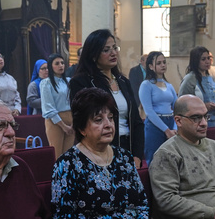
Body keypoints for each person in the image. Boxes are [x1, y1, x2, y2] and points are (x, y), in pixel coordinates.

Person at [52, 87, 149, 219]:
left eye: (110, 118)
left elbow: (142, 202)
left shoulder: (124, 157)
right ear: (82, 128)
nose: (108, 125)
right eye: (98, 120)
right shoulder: (67, 164)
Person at [149, 95, 215, 219]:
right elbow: (166, 200)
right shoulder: (167, 153)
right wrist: (213, 212)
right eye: (196, 118)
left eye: (206, 116)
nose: (204, 123)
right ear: (178, 121)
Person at [69, 29, 144, 165]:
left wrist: (138, 156)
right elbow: (83, 121)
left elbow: (136, 121)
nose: (113, 53)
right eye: (106, 50)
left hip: (128, 148)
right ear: (93, 55)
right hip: (99, 149)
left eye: (115, 48)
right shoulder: (81, 82)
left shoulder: (123, 81)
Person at [138, 50, 178, 165]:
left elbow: (177, 108)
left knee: (171, 160)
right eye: (159, 63)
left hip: (170, 122)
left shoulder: (169, 85)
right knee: (156, 160)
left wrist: (174, 128)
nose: (163, 65)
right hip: (155, 125)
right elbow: (149, 111)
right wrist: (166, 130)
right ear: (150, 66)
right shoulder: (146, 85)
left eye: (164, 62)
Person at [38, 53, 75, 155]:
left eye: (62, 63)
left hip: (70, 118)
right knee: (57, 154)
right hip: (55, 120)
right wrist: (63, 126)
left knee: (68, 154)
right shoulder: (46, 83)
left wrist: (73, 122)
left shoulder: (68, 81)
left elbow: (74, 101)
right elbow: (48, 107)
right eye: (57, 63)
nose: (61, 65)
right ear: (51, 66)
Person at [180, 45, 215, 127]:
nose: (207, 61)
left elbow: (213, 97)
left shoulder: (209, 77)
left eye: (208, 58)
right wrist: (203, 106)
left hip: (214, 120)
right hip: (197, 123)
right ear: (196, 61)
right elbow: (182, 103)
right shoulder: (190, 79)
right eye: (203, 59)